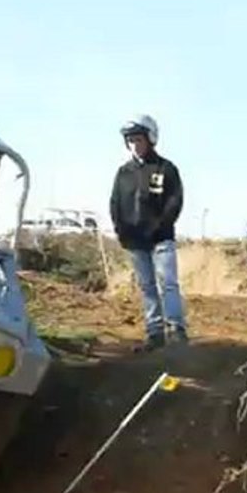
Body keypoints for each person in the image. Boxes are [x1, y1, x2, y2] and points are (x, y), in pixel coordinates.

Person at [109, 114, 188, 351]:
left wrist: (161, 225)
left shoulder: (166, 168)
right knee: (147, 287)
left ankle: (176, 329)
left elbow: (175, 200)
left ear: (150, 139)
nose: (135, 144)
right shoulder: (123, 172)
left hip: (161, 239)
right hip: (135, 241)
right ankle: (154, 333)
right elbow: (115, 203)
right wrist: (121, 231)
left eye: (139, 139)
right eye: (131, 140)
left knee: (168, 283)